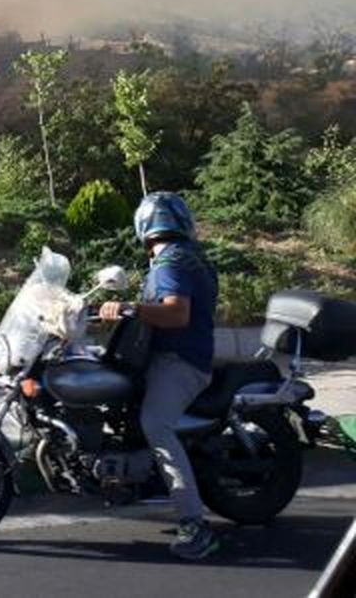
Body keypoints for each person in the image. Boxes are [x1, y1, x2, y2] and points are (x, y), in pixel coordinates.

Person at [99, 191, 220, 561]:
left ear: (144, 227)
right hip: (170, 357)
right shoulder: (185, 258)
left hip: (180, 362)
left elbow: (176, 313)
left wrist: (129, 307)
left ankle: (195, 525)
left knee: (156, 423)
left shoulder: (171, 263)